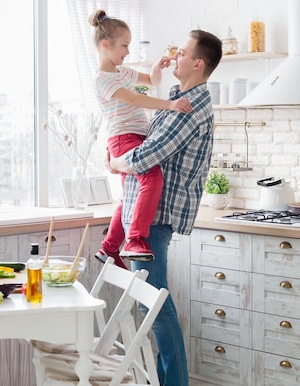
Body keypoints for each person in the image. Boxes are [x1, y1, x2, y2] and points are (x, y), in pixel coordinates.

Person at [108, 29, 223, 386]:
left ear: (198, 63)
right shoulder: (178, 100)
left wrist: (117, 162)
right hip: (144, 217)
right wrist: (119, 157)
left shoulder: (191, 108)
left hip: (155, 220)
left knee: (154, 304)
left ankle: (174, 383)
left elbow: (148, 156)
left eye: (183, 52)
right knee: (150, 304)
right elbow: (139, 145)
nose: (176, 56)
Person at [89, 9, 192, 268]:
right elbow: (135, 98)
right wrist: (170, 105)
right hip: (123, 138)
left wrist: (157, 67)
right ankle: (134, 239)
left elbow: (151, 82)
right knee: (152, 177)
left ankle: (109, 248)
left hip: (134, 137)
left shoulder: (123, 71)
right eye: (124, 45)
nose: (127, 51)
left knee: (130, 196)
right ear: (105, 44)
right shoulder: (103, 80)